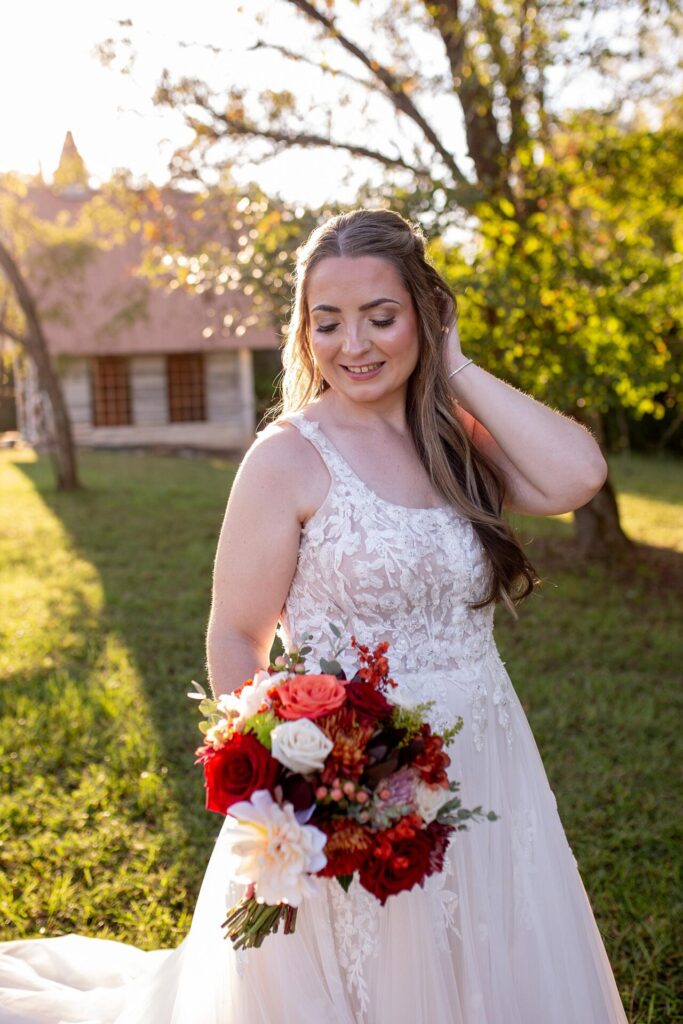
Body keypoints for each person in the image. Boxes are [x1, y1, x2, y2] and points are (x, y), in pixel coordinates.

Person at [0, 208, 629, 1024]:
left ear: (424, 313)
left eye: (381, 316)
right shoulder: (287, 457)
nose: (353, 345)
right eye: (326, 322)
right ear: (303, 332)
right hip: (350, 788)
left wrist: (457, 364)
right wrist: (288, 793)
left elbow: (576, 474)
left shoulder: (454, 442)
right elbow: (234, 634)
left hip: (488, 753)